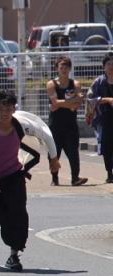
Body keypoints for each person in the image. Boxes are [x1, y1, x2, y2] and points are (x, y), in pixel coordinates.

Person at [0, 90, 59, 271]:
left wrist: (53, 159)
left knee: (17, 214)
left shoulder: (22, 125)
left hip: (14, 175)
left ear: (14, 109)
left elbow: (45, 134)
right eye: (0, 108)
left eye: (9, 108)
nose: (5, 112)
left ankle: (14, 255)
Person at [47, 57, 87, 186]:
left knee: (73, 151)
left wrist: (62, 103)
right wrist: (72, 101)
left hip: (70, 124)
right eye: (61, 67)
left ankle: (75, 177)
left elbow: (79, 103)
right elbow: (54, 102)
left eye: (66, 67)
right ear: (57, 69)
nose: (64, 70)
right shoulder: (52, 84)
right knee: (54, 152)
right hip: (56, 124)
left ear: (70, 68)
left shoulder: (75, 84)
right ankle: (54, 178)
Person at [87, 53, 113, 183]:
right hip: (105, 119)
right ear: (104, 67)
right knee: (107, 146)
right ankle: (109, 173)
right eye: (108, 64)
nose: (111, 66)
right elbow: (91, 98)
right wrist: (107, 100)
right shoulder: (98, 82)